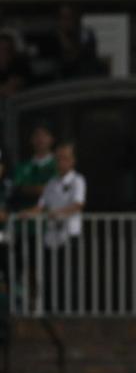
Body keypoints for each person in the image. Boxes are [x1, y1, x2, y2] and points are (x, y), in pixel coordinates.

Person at [19, 142, 87, 312]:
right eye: (58, 159)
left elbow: (77, 205)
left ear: (73, 161)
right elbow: (41, 207)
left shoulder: (77, 180)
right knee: (49, 276)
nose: (61, 162)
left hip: (69, 235)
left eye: (65, 158)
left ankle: (70, 313)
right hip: (51, 237)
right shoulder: (51, 182)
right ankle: (50, 311)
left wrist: (56, 213)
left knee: (69, 278)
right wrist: (26, 213)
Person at [11, 125, 56, 212]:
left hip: (51, 215)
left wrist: (28, 188)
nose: (40, 139)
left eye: (45, 135)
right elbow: (17, 188)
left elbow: (57, 189)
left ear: (52, 139)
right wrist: (44, 188)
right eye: (37, 135)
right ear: (31, 139)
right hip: (23, 215)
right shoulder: (22, 167)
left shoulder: (59, 164)